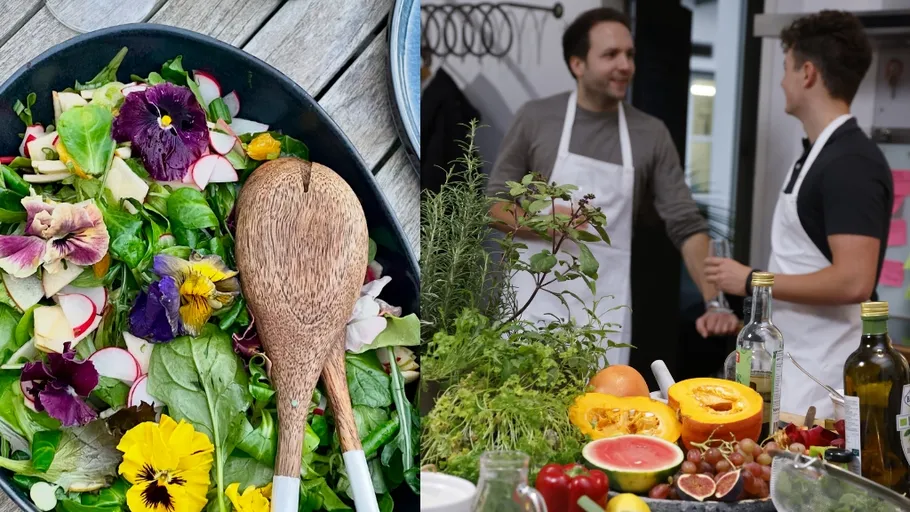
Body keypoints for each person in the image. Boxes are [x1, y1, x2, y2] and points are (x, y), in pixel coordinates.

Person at [486, 7, 739, 367]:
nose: (625, 65)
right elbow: (492, 205)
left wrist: (714, 302)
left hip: (600, 316)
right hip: (530, 307)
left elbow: (686, 224)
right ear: (578, 64)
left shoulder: (650, 134)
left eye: (630, 55)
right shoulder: (537, 118)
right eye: (611, 55)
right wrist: (541, 222)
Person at [705, 11, 892, 418]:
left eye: (787, 68)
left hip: (822, 388)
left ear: (808, 73)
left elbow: (854, 280)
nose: (781, 81)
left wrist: (752, 281)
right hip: (794, 371)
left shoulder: (851, 162)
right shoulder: (817, 154)